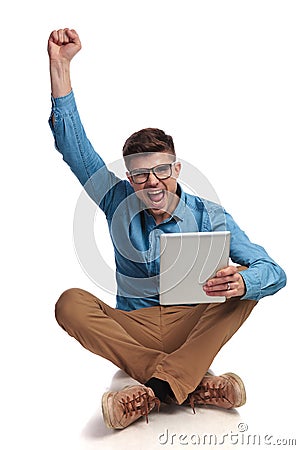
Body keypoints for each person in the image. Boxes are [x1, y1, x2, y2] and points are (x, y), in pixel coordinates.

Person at [48, 28, 286, 430]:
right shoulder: (116, 201)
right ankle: (186, 382)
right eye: (140, 175)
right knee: (69, 302)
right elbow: (75, 149)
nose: (152, 182)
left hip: (191, 325)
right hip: (133, 327)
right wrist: (60, 66)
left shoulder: (211, 214)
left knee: (250, 285)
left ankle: (153, 391)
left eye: (161, 170)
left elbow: (275, 272)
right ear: (129, 177)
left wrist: (242, 282)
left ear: (176, 169)